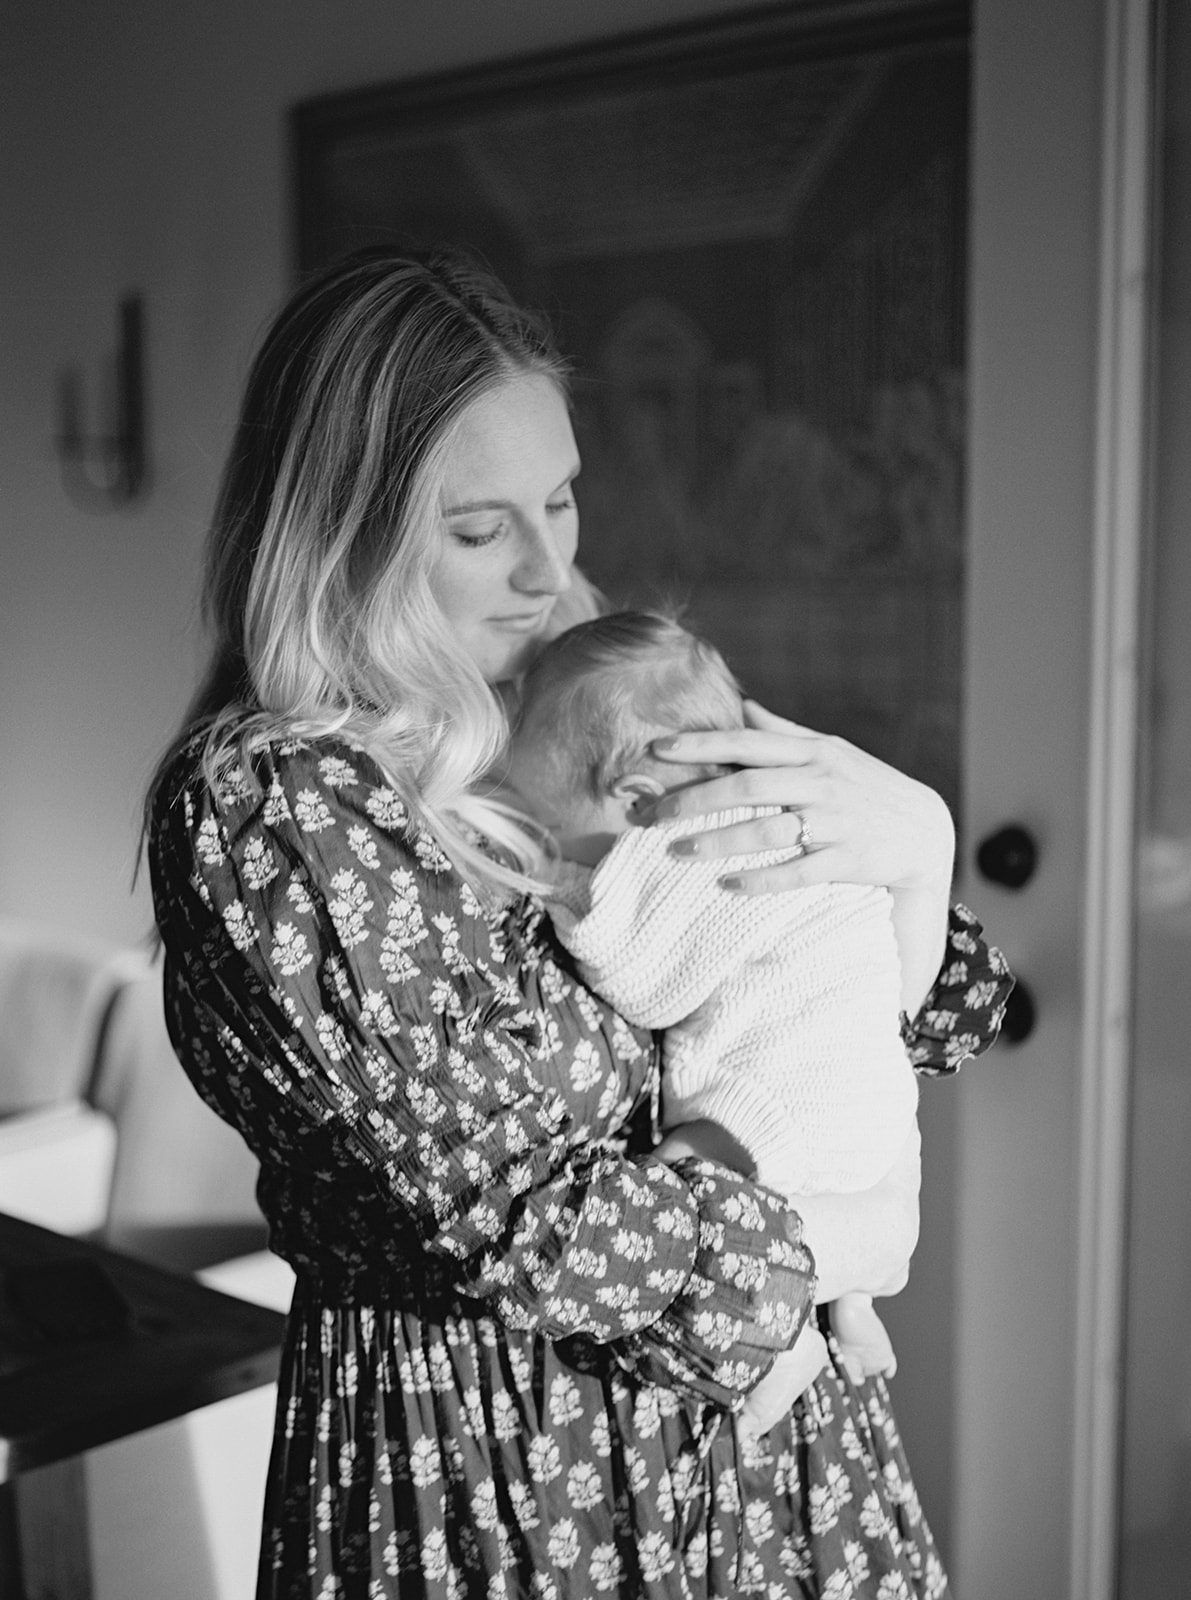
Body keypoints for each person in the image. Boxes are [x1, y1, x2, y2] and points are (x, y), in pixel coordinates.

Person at [146, 246, 1013, 1600]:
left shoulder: (575, 683)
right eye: (479, 528)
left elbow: (895, 1002)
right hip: (490, 1467)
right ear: (341, 530)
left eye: (559, 500)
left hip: (768, 1454)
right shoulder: (280, 808)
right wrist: (836, 1245)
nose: (549, 570)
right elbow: (510, 1214)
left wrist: (915, 859)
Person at [504, 608, 938, 1391]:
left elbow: (646, 980)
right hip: (867, 1095)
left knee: (678, 1178)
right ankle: (853, 1309)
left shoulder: (689, 845)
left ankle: (784, 1338)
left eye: (551, 824)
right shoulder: (788, 811)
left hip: (782, 1095)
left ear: (636, 799)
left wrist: (559, 889)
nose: (553, 843)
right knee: (830, 1205)